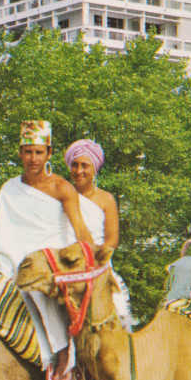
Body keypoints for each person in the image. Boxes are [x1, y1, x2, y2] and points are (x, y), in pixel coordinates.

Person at [0, 121, 96, 380]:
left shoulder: (61, 187)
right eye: (28, 151)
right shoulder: (9, 188)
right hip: (11, 256)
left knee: (35, 282)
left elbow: (80, 231)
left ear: (49, 153)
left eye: (39, 152)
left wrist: (91, 259)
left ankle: (63, 351)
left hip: (49, 257)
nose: (33, 158)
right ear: (20, 153)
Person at [63, 138, 132, 328]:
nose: (79, 171)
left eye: (84, 165)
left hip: (98, 266)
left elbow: (112, 240)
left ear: (95, 168)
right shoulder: (62, 196)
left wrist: (93, 260)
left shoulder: (106, 199)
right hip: (67, 268)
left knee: (118, 314)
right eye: (74, 165)